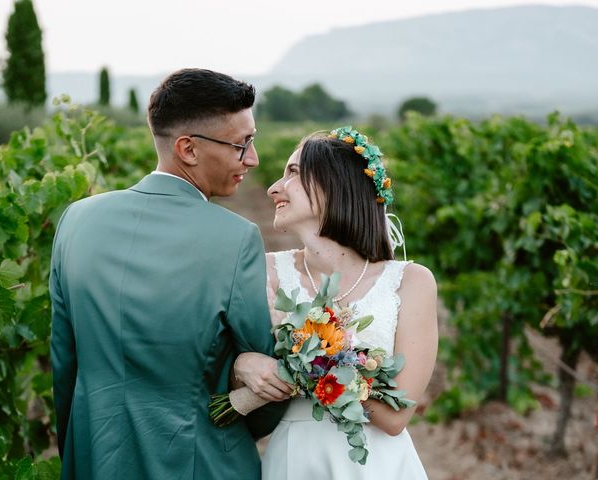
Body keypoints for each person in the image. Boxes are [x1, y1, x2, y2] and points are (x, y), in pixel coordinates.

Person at [49, 68, 290, 480]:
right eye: (242, 144)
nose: (253, 158)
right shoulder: (235, 239)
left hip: (95, 455)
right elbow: (266, 385)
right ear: (188, 149)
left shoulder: (75, 220)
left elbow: (64, 361)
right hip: (202, 461)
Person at [232, 127, 438, 479]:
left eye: (293, 172)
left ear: (335, 185)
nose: (273, 188)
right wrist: (241, 365)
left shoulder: (411, 282)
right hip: (294, 461)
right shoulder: (264, 272)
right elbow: (229, 384)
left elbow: (395, 416)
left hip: (376, 466)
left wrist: (309, 363)